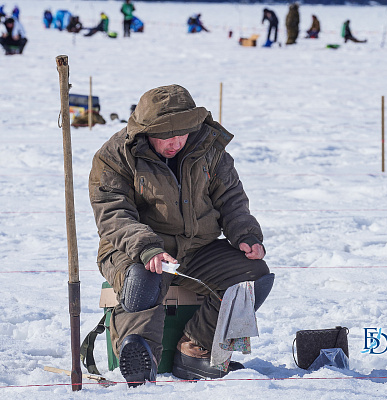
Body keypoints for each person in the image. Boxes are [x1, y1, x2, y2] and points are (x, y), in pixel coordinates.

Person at [88, 84, 274, 387]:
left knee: (252, 278)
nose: (175, 143)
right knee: (143, 279)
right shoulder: (115, 156)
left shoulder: (210, 149)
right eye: (165, 136)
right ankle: (141, 356)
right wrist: (147, 248)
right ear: (146, 131)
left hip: (196, 248)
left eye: (182, 134)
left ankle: (196, 350)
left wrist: (246, 235)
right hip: (132, 249)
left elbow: (232, 200)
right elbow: (113, 214)